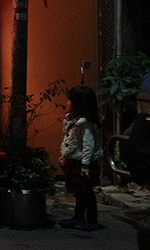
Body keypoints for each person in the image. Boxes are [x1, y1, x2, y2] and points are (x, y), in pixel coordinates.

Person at [59, 85, 104, 231]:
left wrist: (85, 164)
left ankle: (91, 220)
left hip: (84, 163)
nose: (68, 102)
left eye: (70, 100)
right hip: (76, 161)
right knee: (80, 192)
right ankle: (78, 217)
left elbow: (88, 145)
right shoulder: (74, 121)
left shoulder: (85, 124)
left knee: (86, 192)